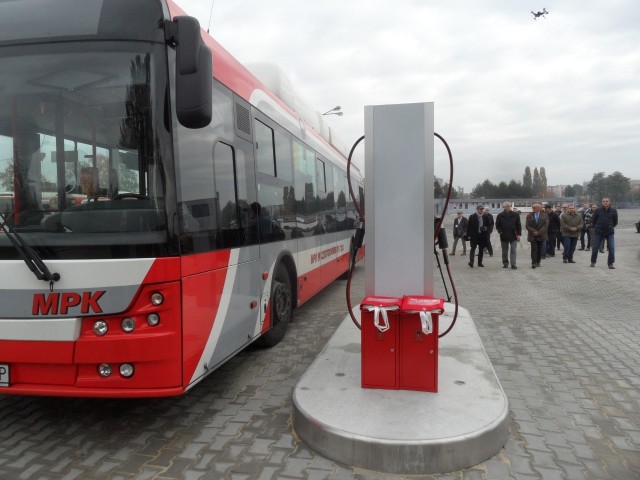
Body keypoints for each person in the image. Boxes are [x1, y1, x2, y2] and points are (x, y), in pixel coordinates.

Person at [590, 197, 618, 269]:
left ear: (609, 202)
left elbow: (615, 222)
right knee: (595, 248)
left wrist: (610, 227)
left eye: (606, 201)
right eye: (604, 201)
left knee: (611, 248)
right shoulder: (598, 210)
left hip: (609, 232)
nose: (605, 202)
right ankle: (593, 261)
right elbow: (593, 221)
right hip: (599, 232)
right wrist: (598, 227)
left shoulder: (613, 211)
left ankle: (610, 263)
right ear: (602, 202)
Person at [495, 201, 522, 269]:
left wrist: (519, 234)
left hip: (513, 235)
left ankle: (513, 264)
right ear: (504, 207)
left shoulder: (515, 215)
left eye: (509, 206)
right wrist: (500, 231)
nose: (508, 207)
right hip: (504, 235)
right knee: (504, 251)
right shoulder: (500, 215)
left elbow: (518, 225)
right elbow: (497, 225)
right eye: (507, 206)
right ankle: (505, 263)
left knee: (513, 250)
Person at [525, 203, 548, 269]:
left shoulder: (545, 215)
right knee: (534, 249)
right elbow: (527, 225)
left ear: (540, 208)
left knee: (539, 249)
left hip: (541, 235)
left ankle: (538, 261)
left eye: (535, 207)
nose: (534, 208)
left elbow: (546, 225)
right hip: (533, 235)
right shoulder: (529, 215)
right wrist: (534, 231)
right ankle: (533, 262)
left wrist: (539, 232)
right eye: (533, 207)